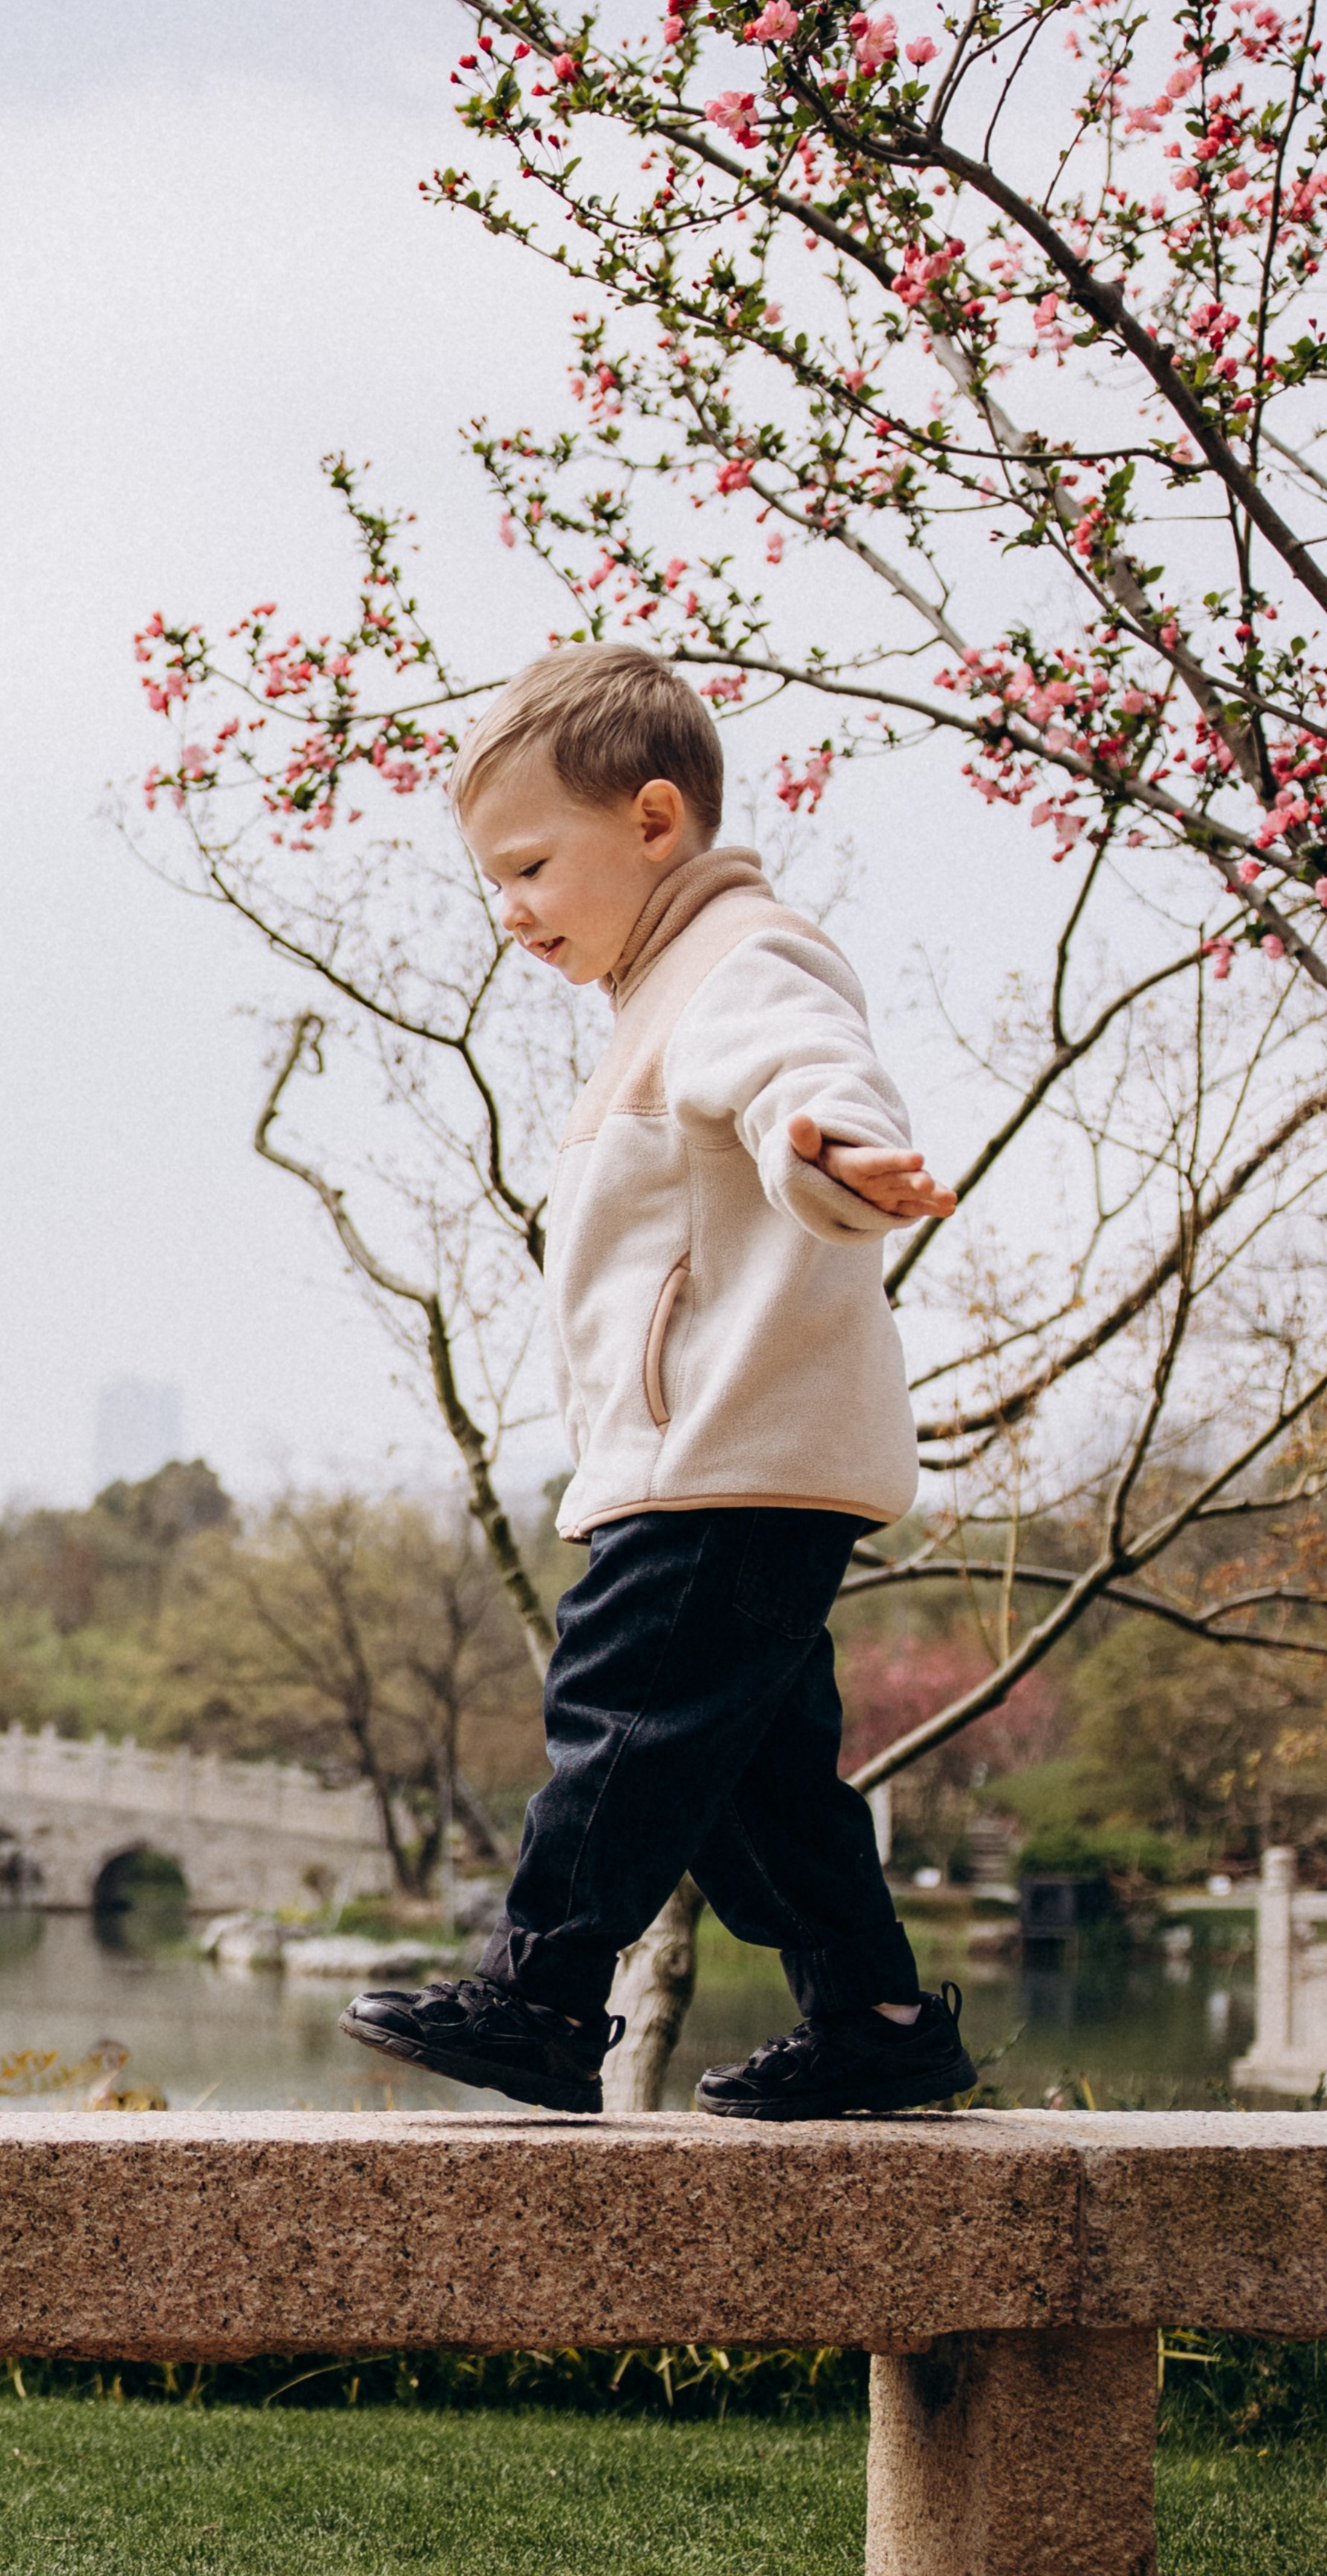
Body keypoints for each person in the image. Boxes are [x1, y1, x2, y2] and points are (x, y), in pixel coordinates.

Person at [340, 643, 976, 2120]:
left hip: (726, 1446)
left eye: (529, 867)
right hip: (722, 1444)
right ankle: (876, 2015)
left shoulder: (739, 957)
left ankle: (545, 1988)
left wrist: (832, 1146)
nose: (512, 913)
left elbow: (802, 1066)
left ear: (653, 820)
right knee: (753, 1777)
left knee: (620, 1705)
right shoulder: (655, 994)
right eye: (494, 884)